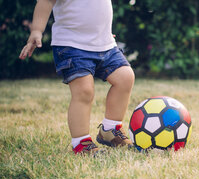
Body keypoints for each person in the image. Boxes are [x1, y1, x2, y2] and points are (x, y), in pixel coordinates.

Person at [19, 0, 135, 155]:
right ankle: (81, 142)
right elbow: (45, 1)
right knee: (84, 90)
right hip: (72, 46)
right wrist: (37, 31)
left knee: (125, 77)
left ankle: (110, 130)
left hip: (104, 43)